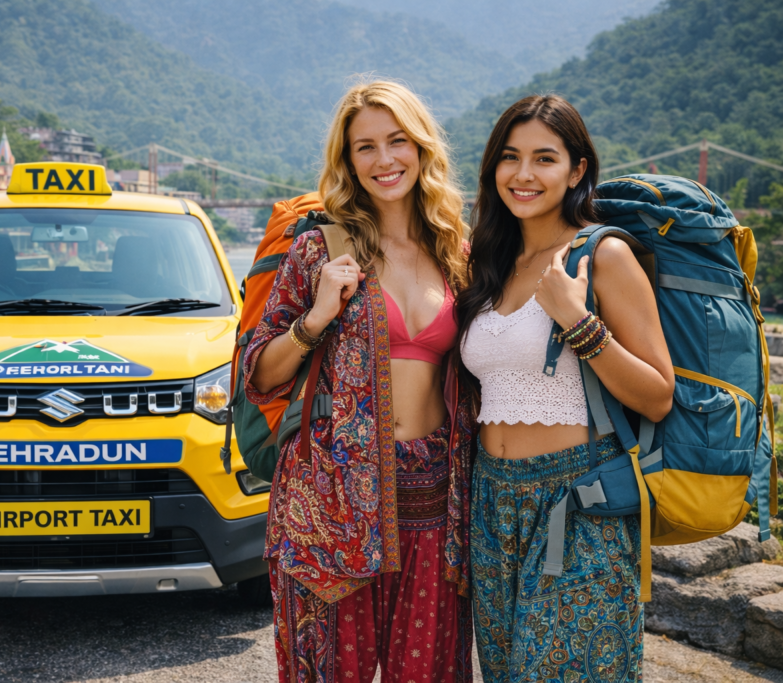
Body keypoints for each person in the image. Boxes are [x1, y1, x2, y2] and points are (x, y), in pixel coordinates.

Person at [244, 80, 476, 683]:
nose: (384, 160)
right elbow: (259, 376)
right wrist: (315, 317)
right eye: (365, 147)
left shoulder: (456, 252)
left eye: (397, 141)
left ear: (422, 148)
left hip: (433, 496)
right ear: (347, 160)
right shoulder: (318, 247)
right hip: (332, 501)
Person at [458, 94, 675, 681]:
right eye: (510, 157)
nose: (523, 175)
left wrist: (578, 324)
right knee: (503, 671)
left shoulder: (602, 255)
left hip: (579, 502)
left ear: (577, 170)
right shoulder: (490, 263)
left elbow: (657, 393)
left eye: (544, 159)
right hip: (491, 504)